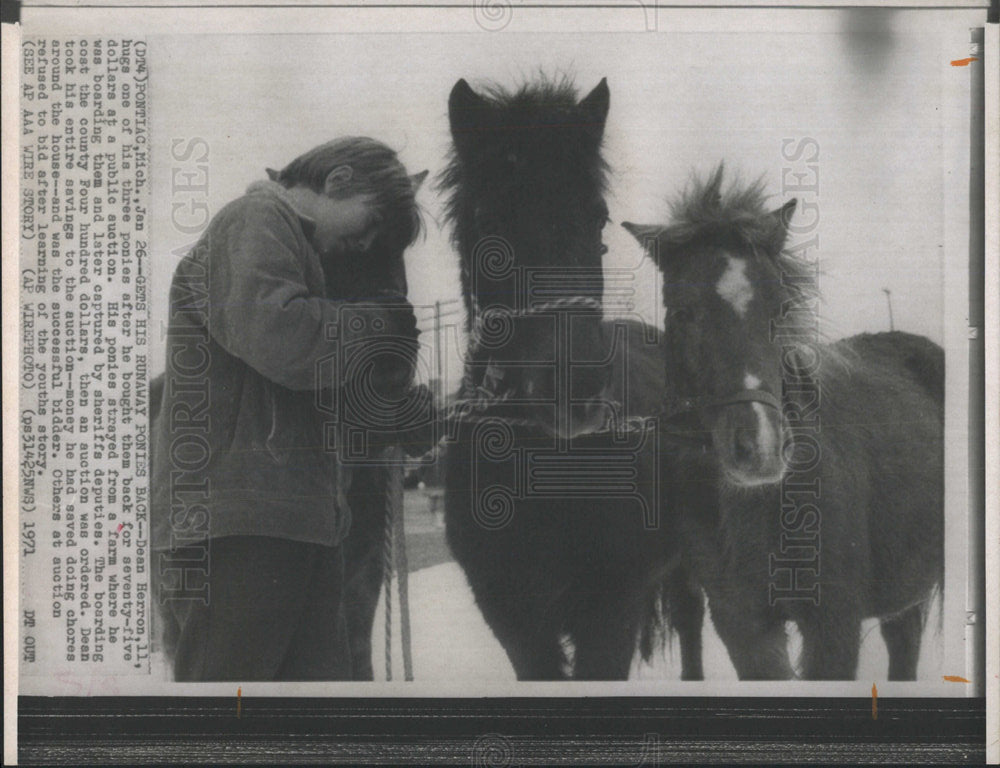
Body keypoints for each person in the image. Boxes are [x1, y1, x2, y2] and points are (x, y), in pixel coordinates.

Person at [150, 137, 430, 681]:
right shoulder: (255, 219)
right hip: (236, 528)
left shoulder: (303, 258)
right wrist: (377, 322)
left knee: (314, 718)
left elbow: (298, 399)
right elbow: (281, 336)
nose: (366, 243)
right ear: (338, 181)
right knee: (229, 721)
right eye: (368, 225)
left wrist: (396, 413)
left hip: (295, 525)